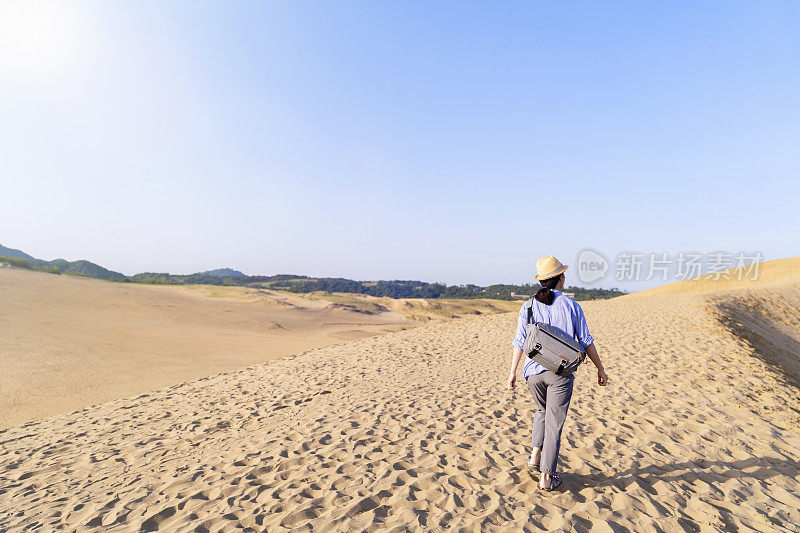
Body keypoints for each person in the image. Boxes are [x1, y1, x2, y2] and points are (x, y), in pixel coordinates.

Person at [507, 255, 608, 491]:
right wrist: (600, 368)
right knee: (554, 423)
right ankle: (546, 476)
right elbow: (586, 341)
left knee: (542, 411)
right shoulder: (572, 306)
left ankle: (535, 455)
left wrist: (512, 372)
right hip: (559, 374)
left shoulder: (528, 306)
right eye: (563, 274)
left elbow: (519, 342)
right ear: (559, 279)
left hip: (532, 373)